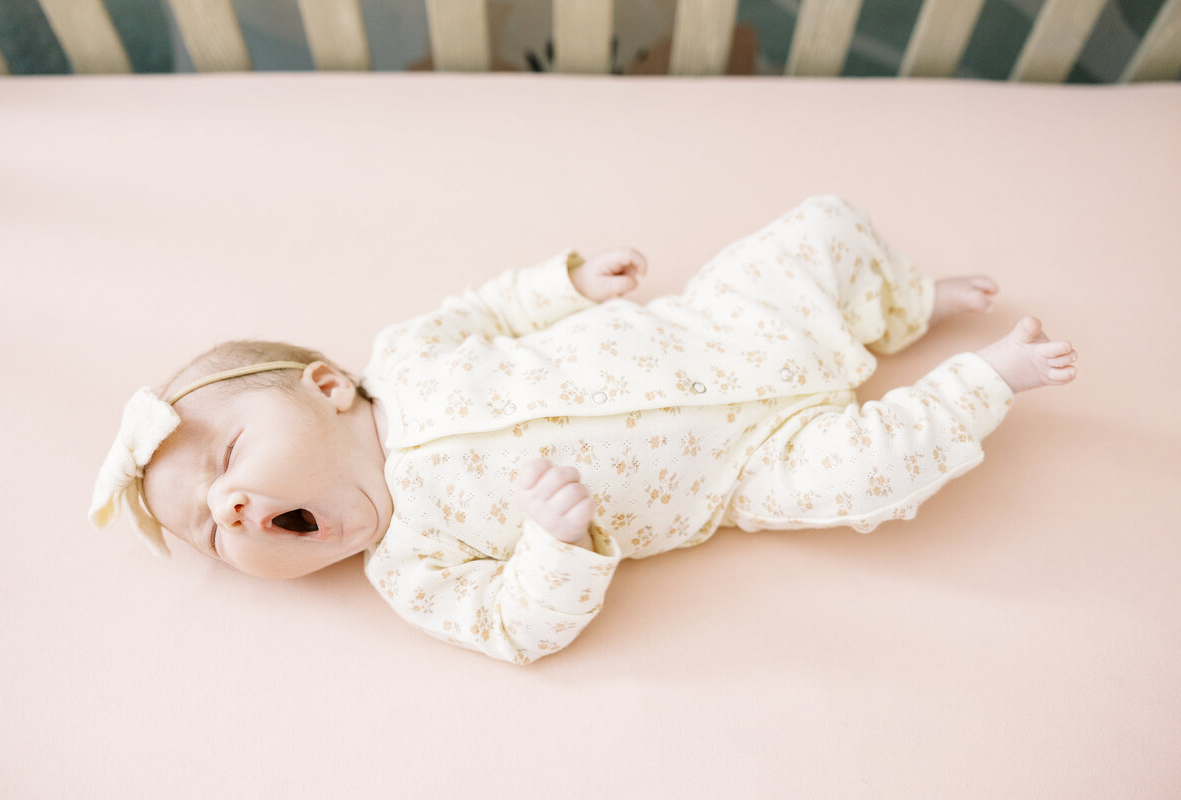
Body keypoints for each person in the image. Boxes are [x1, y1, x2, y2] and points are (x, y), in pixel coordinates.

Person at [89, 194, 1078, 665]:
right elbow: (516, 628)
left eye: (226, 460)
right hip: (738, 470)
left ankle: (900, 306)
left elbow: (489, 312)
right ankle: (982, 382)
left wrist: (560, 285)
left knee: (813, 232)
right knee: (858, 475)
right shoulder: (411, 565)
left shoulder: (404, 357)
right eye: (215, 530)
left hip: (713, 329)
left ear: (325, 385)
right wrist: (555, 545)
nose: (232, 508)